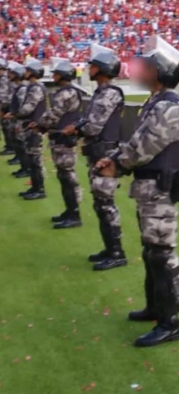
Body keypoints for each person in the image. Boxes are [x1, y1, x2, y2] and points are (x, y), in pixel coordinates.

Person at [95, 36, 179, 348]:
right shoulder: (155, 103)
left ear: (159, 72)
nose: (140, 71)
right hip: (148, 189)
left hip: (159, 190)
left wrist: (117, 164)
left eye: (147, 67)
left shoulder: (170, 105)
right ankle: (155, 308)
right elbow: (136, 141)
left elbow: (145, 147)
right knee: (151, 253)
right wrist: (117, 157)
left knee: (161, 255)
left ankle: (170, 321)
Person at [63, 44, 127, 271]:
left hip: (105, 154)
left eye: (92, 66)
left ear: (101, 69)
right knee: (100, 204)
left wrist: (76, 129)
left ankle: (117, 252)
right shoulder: (101, 92)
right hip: (97, 153)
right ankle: (109, 249)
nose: (88, 69)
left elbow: (93, 126)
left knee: (106, 204)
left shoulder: (109, 93)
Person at [38, 58, 83, 229]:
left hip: (64, 139)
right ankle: (69, 211)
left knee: (67, 177)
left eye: (56, 73)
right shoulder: (68, 91)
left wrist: (40, 125)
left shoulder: (65, 93)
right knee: (64, 176)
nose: (54, 76)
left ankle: (74, 214)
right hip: (61, 138)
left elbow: (54, 114)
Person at [17, 57, 47, 200]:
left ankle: (39, 189)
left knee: (35, 160)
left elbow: (29, 107)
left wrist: (17, 114)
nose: (25, 72)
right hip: (30, 126)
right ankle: (35, 186)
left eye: (28, 70)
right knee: (31, 157)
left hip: (35, 127)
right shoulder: (32, 86)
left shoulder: (36, 87)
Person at [4, 62, 27, 173]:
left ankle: (25, 168)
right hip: (15, 118)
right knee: (17, 142)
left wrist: (13, 114)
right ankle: (22, 165)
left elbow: (22, 106)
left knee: (22, 144)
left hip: (20, 120)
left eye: (12, 73)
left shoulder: (22, 89)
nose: (9, 75)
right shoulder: (16, 87)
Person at [0, 58, 14, 156]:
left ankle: (10, 147)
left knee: (7, 127)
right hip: (7, 106)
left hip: (7, 107)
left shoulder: (4, 78)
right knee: (6, 127)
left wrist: (1, 109)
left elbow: (3, 96)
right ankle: (9, 145)